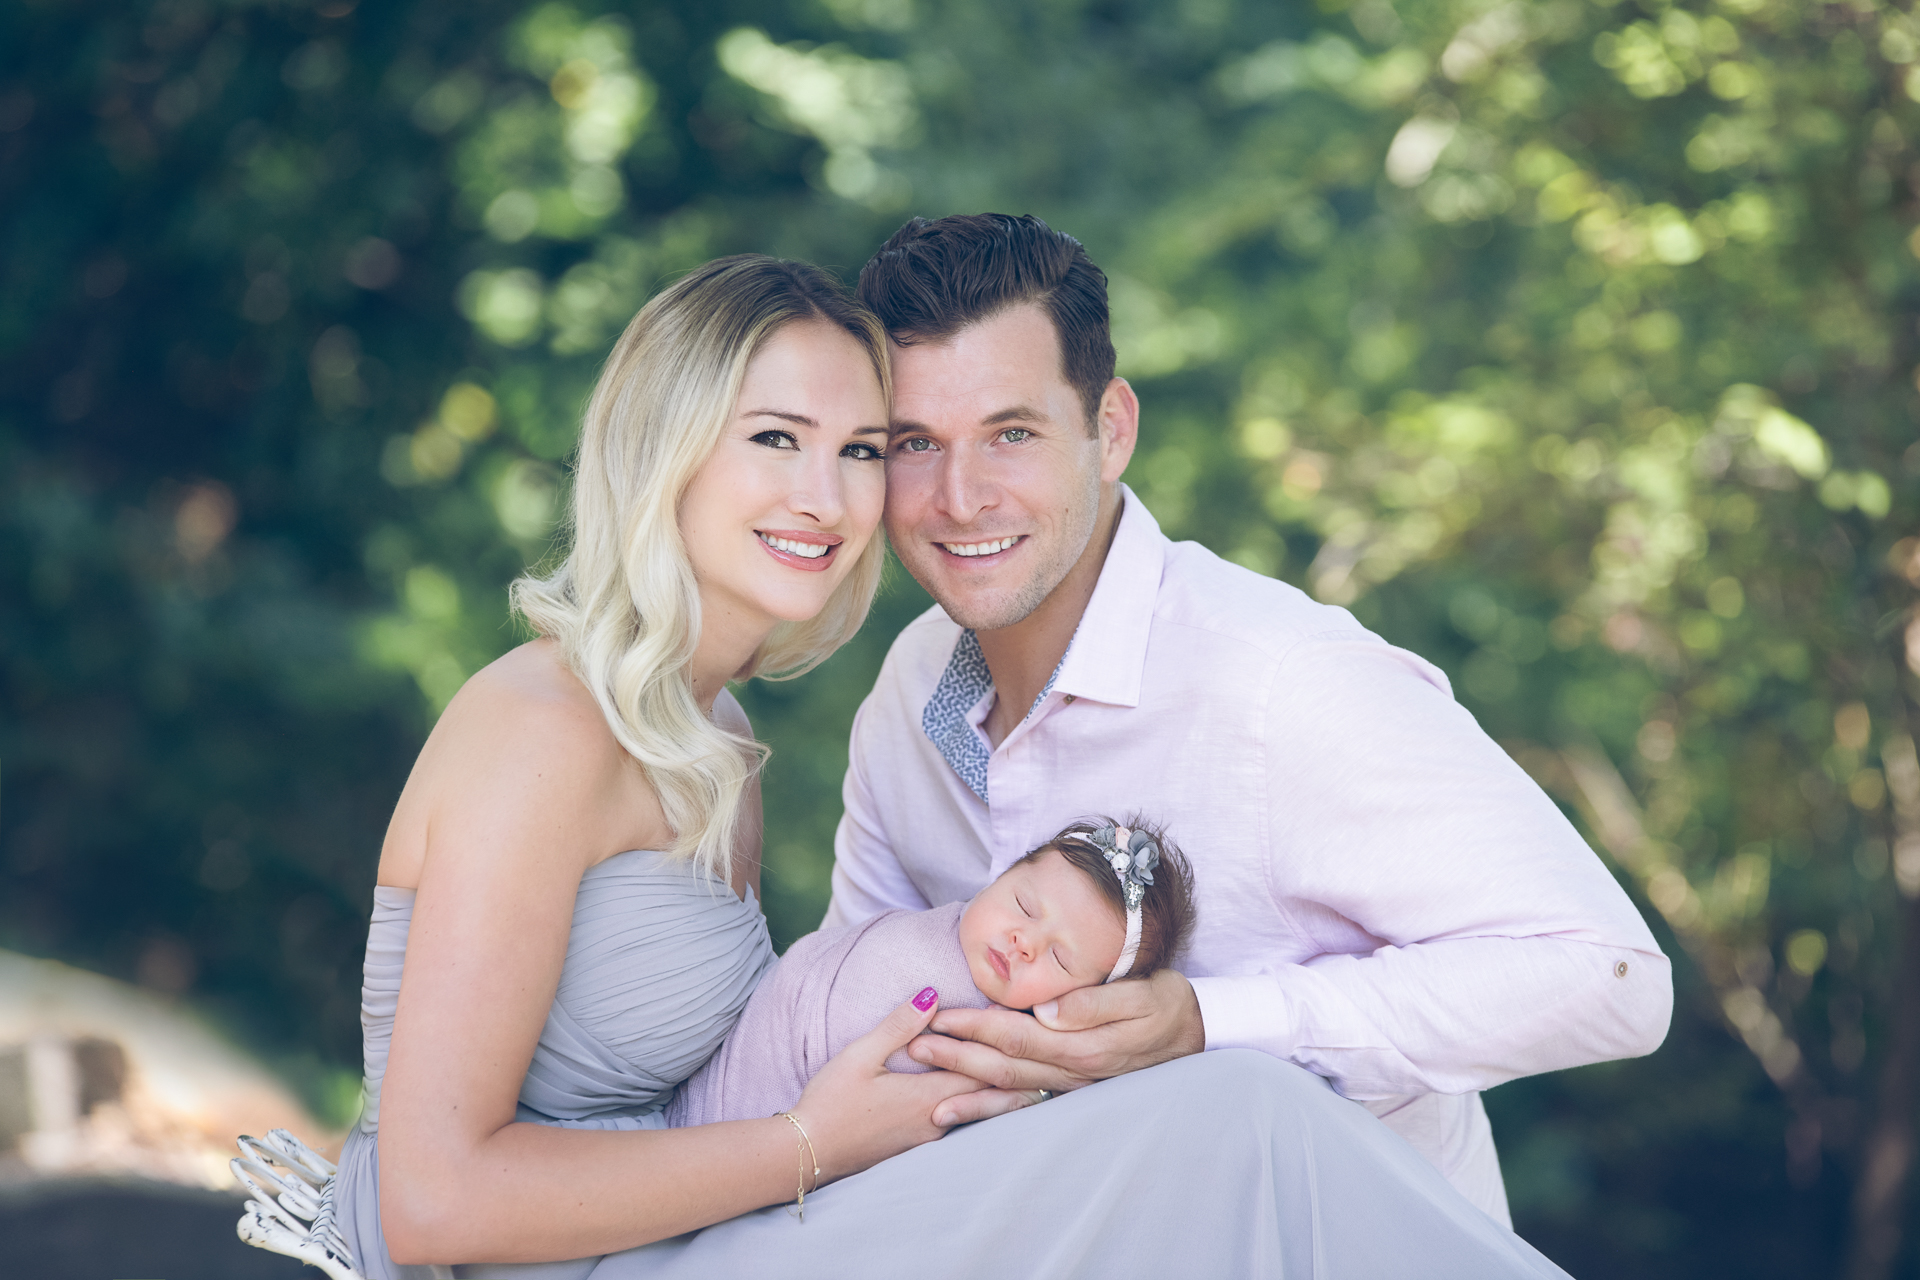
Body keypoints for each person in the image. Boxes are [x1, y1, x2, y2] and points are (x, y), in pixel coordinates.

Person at [314, 248, 1579, 1280]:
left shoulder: (717, 744)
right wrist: (810, 1143)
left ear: (1110, 429)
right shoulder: (547, 726)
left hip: (695, 1228)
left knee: (1221, 1131)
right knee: (1237, 1120)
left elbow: (1602, 977)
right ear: (665, 445)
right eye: (776, 437)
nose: (831, 494)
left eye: (863, 448)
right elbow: (434, 1202)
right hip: (549, 1263)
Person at [825, 212, 1677, 1224]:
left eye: (1012, 432)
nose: (961, 497)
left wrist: (1210, 1019)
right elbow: (853, 1008)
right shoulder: (911, 685)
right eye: (916, 443)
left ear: (1110, 430)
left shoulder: (1284, 683)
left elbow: (1611, 976)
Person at [669, 818, 1195, 1127]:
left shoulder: (996, 1045)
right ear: (1001, 876)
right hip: (715, 1077)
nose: (1024, 942)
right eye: (1023, 905)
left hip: (778, 1126)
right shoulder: (935, 921)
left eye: (1060, 959)